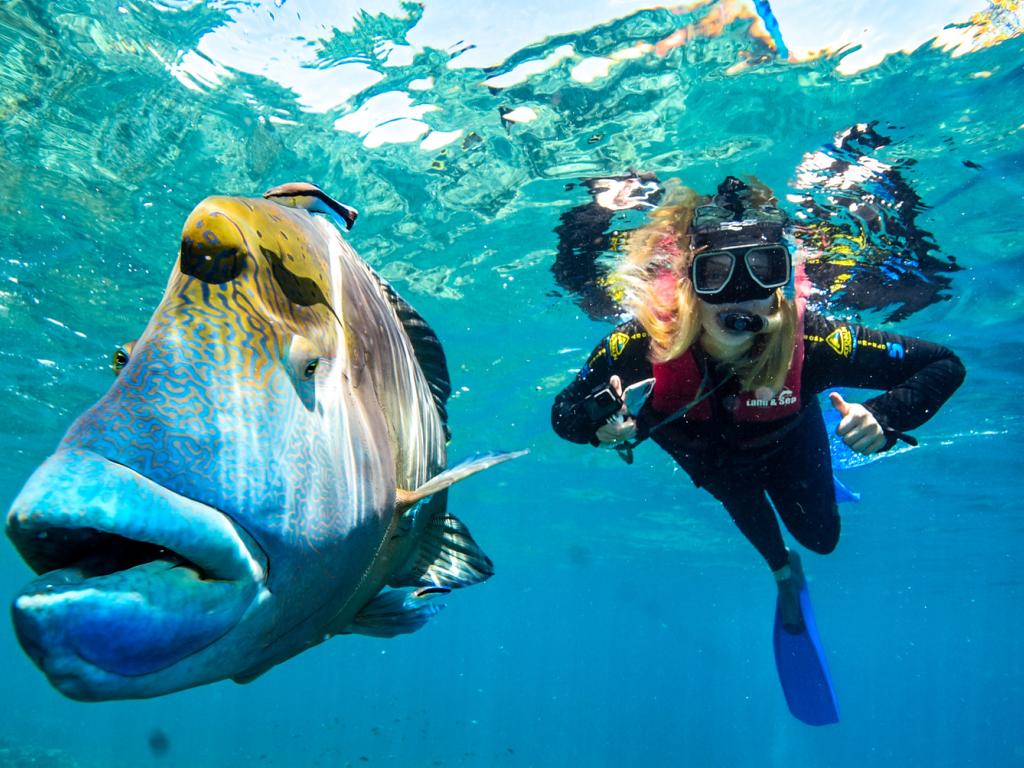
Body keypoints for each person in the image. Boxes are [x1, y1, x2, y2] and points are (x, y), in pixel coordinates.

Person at [551, 176, 965, 633]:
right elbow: (563, 415)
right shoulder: (641, 343)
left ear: (781, 277)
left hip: (785, 439)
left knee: (823, 539)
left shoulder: (814, 342)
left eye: (764, 268)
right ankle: (783, 573)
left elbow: (944, 365)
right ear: (688, 283)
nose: (741, 292)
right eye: (715, 273)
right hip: (708, 460)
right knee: (747, 509)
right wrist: (600, 421)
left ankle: (812, 498)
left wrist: (885, 418)